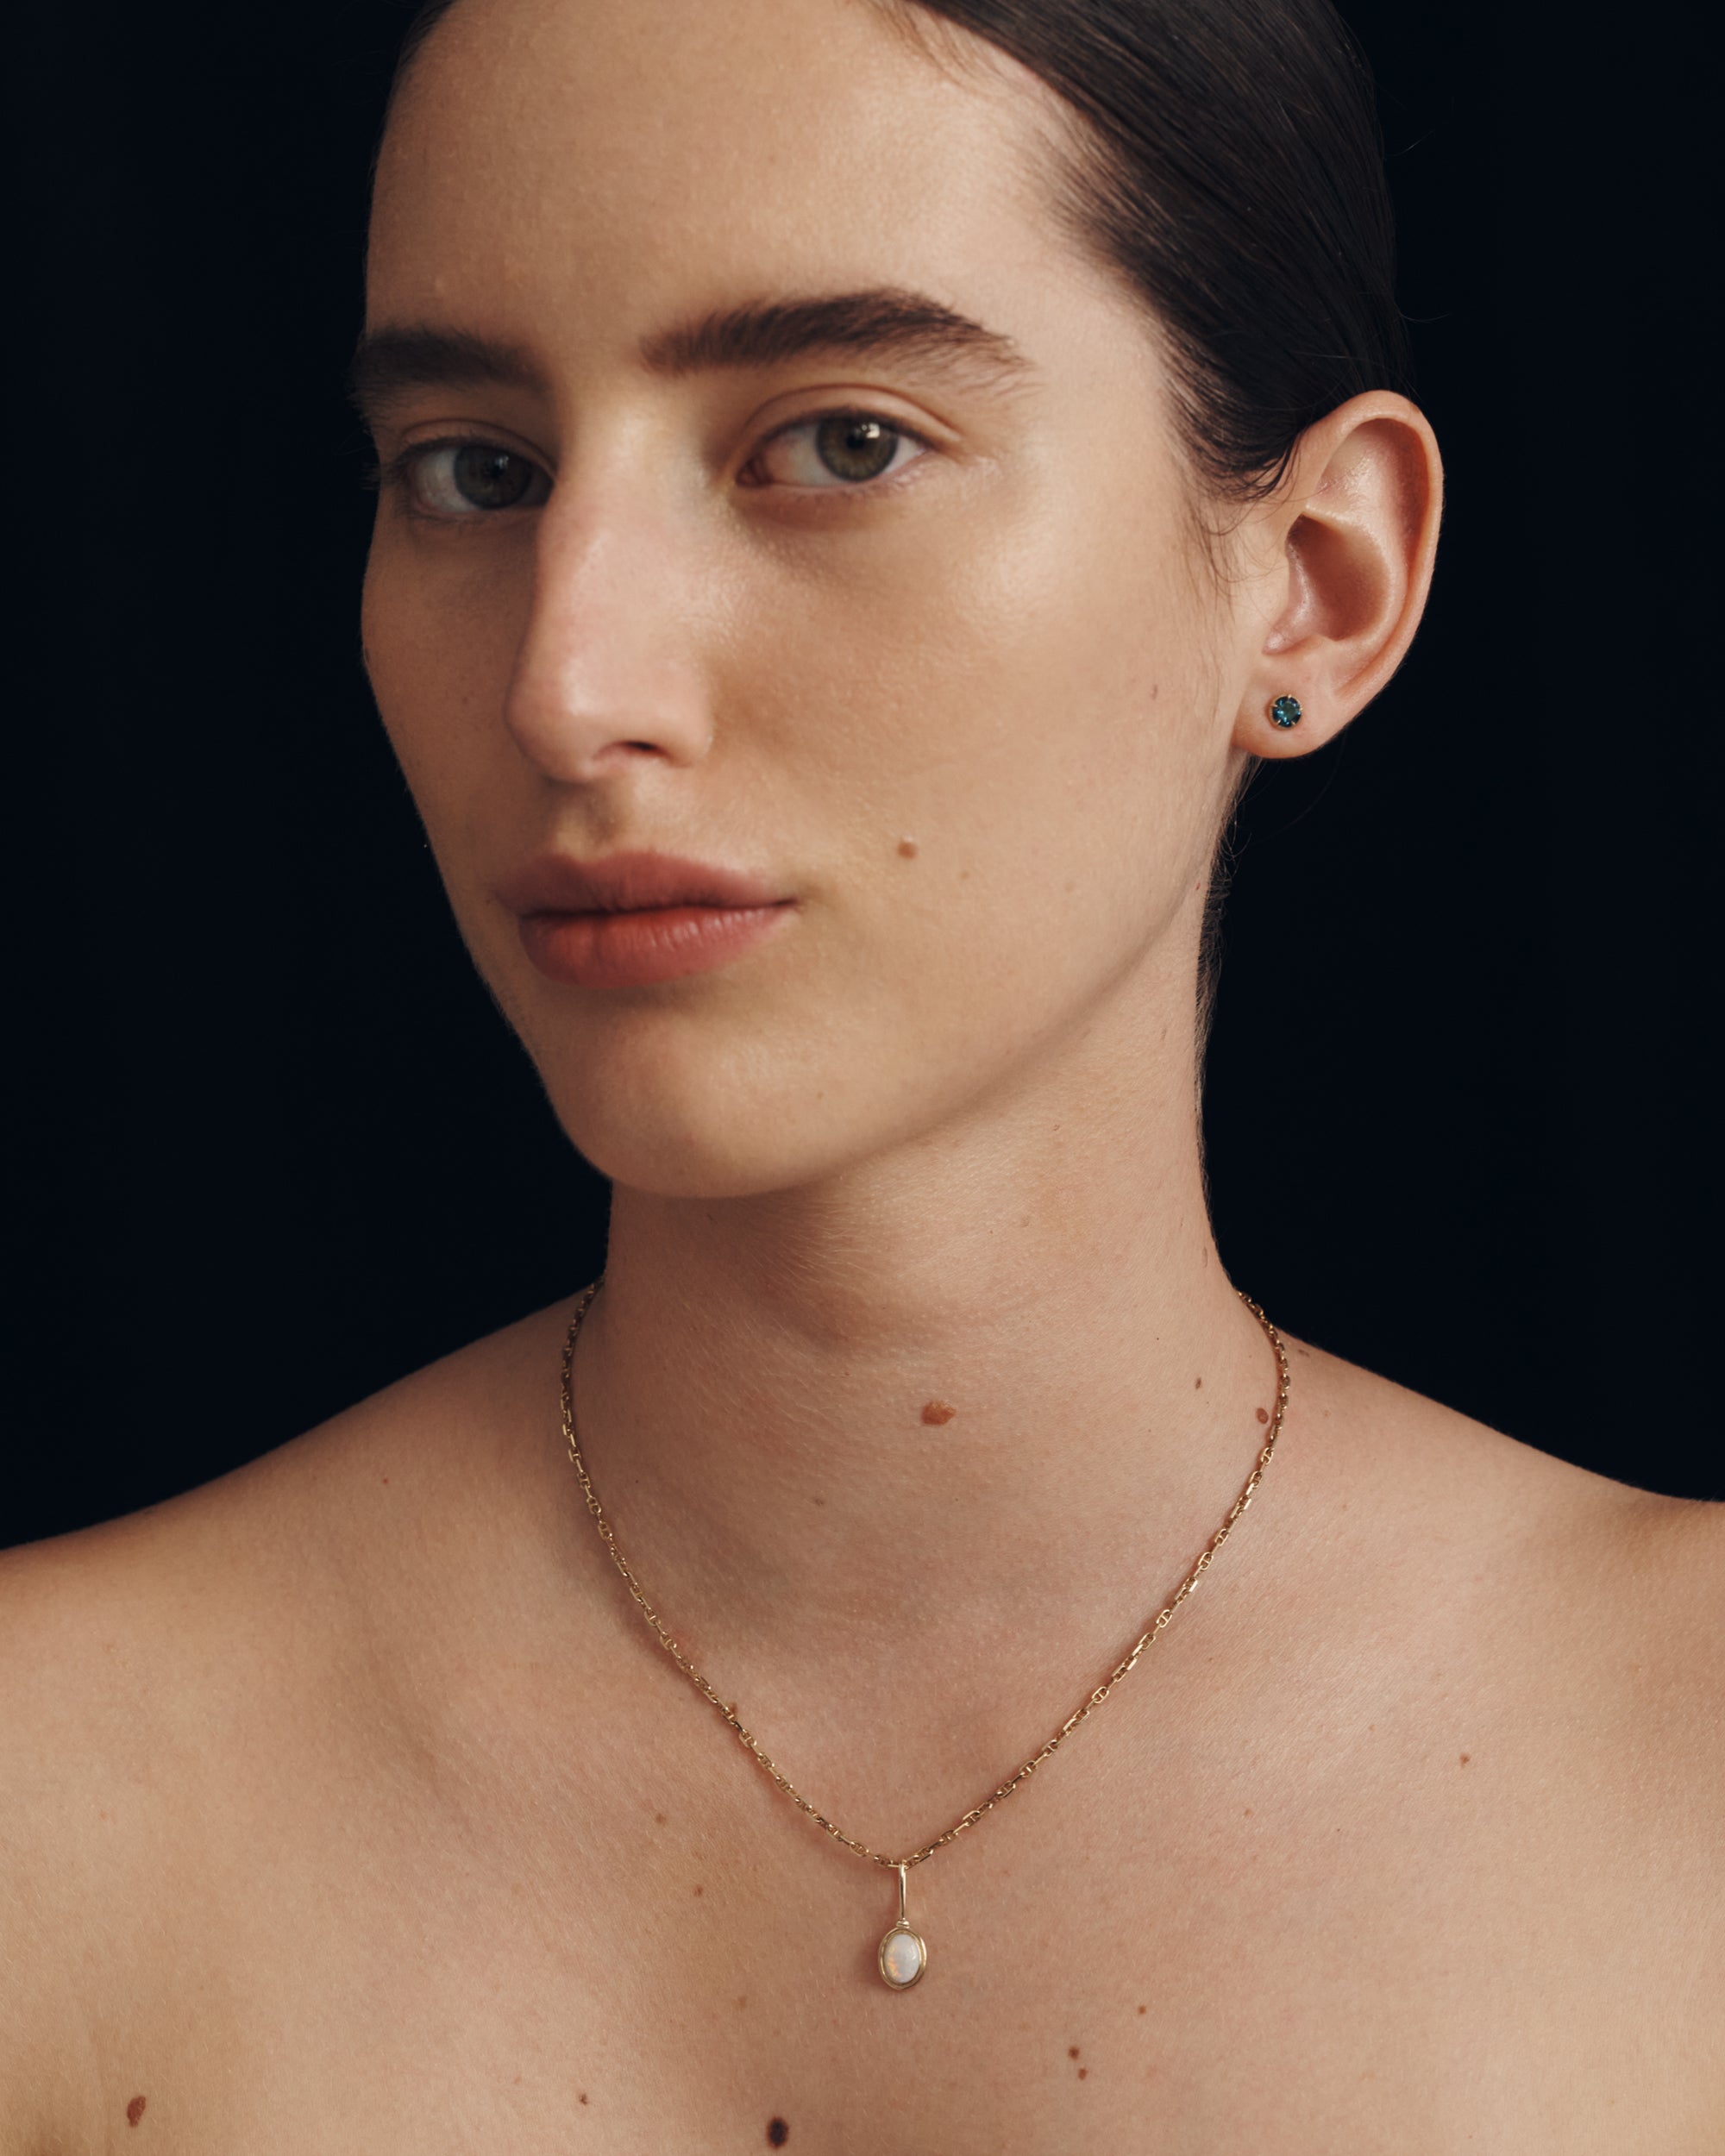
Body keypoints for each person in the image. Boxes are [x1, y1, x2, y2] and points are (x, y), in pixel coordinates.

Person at [3, 0, 1719, 2144]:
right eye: (475, 470)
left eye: (836, 443)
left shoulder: (1686, 1769)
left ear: (1313, 582)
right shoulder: (51, 1798)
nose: (567, 686)